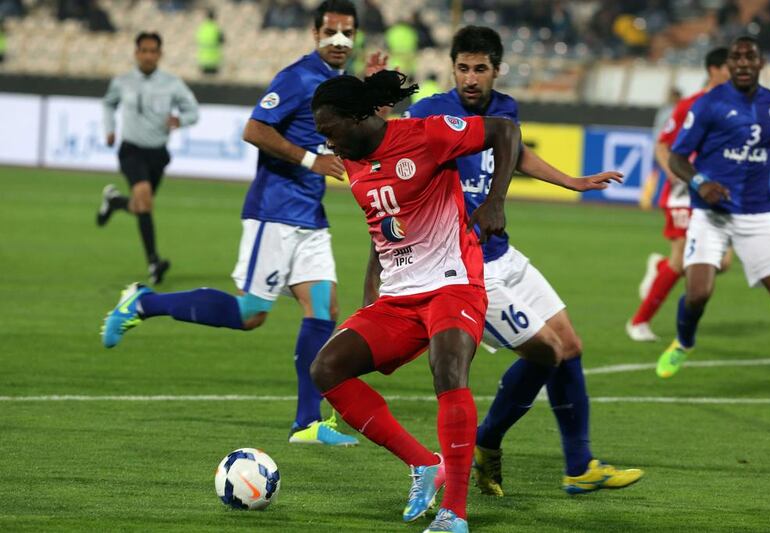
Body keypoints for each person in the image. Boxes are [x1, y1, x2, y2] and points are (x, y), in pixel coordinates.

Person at [101, 1, 363, 447]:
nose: (339, 41)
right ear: (313, 32)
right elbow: (254, 129)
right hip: (274, 211)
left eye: (347, 33)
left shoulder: (337, 83)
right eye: (331, 32)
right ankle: (145, 303)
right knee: (250, 314)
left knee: (324, 310)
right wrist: (308, 159)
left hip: (310, 215)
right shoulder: (297, 77)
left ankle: (306, 423)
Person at [405, 25, 642, 497]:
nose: (471, 79)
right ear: (452, 69)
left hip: (503, 252)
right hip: (464, 268)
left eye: (480, 69)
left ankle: (579, 466)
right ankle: (486, 441)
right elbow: (397, 152)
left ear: (496, 70)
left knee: (569, 345)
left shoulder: (505, 109)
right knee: (546, 352)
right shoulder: (430, 111)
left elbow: (516, 154)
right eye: (463, 68)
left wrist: (570, 181)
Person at [310, 70, 519, 533]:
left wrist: (496, 200)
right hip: (400, 295)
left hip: (454, 282)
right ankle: (424, 464)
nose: (328, 144)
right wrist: (373, 290)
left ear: (359, 117)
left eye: (330, 131)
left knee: (448, 368)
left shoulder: (425, 134)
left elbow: (505, 130)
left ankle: (454, 514)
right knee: (326, 369)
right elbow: (383, 227)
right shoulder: (352, 163)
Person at [656, 36, 770, 378]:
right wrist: (700, 183)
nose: (744, 63)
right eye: (737, 58)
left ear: (761, 63)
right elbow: (677, 157)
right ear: (730, 65)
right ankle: (684, 341)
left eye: (751, 57)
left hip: (759, 214)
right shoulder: (709, 104)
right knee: (698, 294)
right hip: (712, 215)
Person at [627, 47, 732, 342]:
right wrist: (675, 174)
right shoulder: (691, 104)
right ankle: (638, 322)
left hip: (715, 195)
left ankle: (659, 270)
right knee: (681, 259)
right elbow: (663, 145)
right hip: (685, 193)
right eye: (729, 66)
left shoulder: (738, 107)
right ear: (714, 70)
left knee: (721, 263)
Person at [97, 32, 199, 284]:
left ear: (160, 54)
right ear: (136, 53)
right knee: (144, 200)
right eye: (144, 50)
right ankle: (154, 262)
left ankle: (116, 202)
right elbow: (109, 104)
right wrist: (109, 129)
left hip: (158, 154)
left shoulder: (172, 83)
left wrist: (180, 119)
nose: (148, 55)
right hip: (131, 149)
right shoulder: (122, 82)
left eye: (153, 51)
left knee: (141, 206)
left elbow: (193, 111)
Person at [196, 8, 224, 75]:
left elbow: (197, 40)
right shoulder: (216, 28)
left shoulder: (202, 28)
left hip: (203, 60)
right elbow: (222, 40)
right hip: (214, 61)